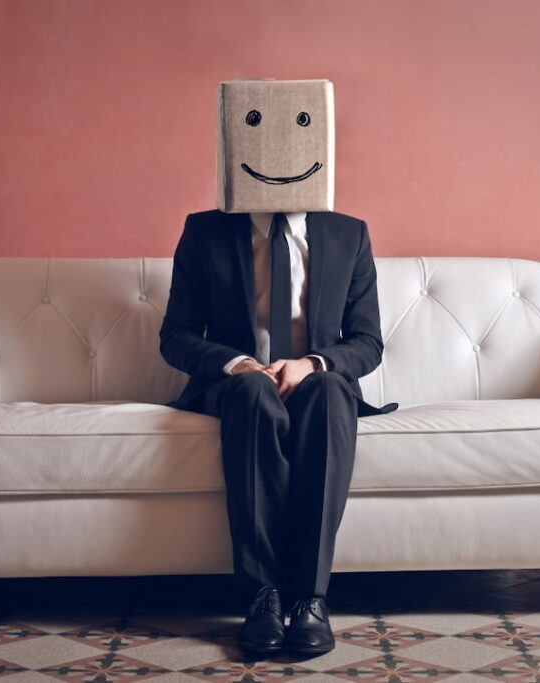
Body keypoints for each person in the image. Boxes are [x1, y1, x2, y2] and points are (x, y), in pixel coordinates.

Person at [159, 79, 396, 658]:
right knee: (251, 397)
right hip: (237, 387)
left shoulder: (348, 235)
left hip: (317, 383)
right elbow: (176, 337)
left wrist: (313, 363)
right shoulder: (205, 231)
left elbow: (367, 342)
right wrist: (239, 363)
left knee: (331, 391)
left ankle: (309, 600)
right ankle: (262, 596)